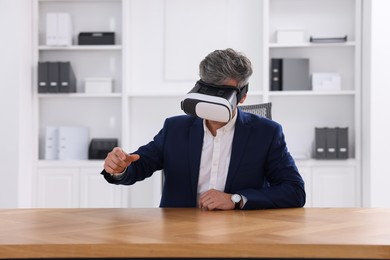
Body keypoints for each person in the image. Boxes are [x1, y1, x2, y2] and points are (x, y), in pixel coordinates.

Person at [101, 48, 305, 210]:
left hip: (241, 230)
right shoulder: (175, 129)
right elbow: (139, 165)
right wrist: (120, 168)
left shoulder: (266, 133)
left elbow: (294, 191)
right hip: (181, 231)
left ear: (242, 96)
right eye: (208, 89)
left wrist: (236, 200)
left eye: (222, 93)